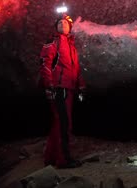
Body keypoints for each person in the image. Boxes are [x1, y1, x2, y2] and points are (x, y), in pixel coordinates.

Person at [39, 14, 86, 168]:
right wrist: (50, 85)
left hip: (69, 89)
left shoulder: (71, 46)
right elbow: (45, 63)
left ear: (70, 27)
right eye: (59, 23)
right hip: (59, 88)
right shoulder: (54, 42)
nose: (62, 24)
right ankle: (63, 160)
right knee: (64, 123)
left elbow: (76, 69)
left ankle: (51, 157)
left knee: (60, 121)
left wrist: (81, 86)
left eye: (65, 23)